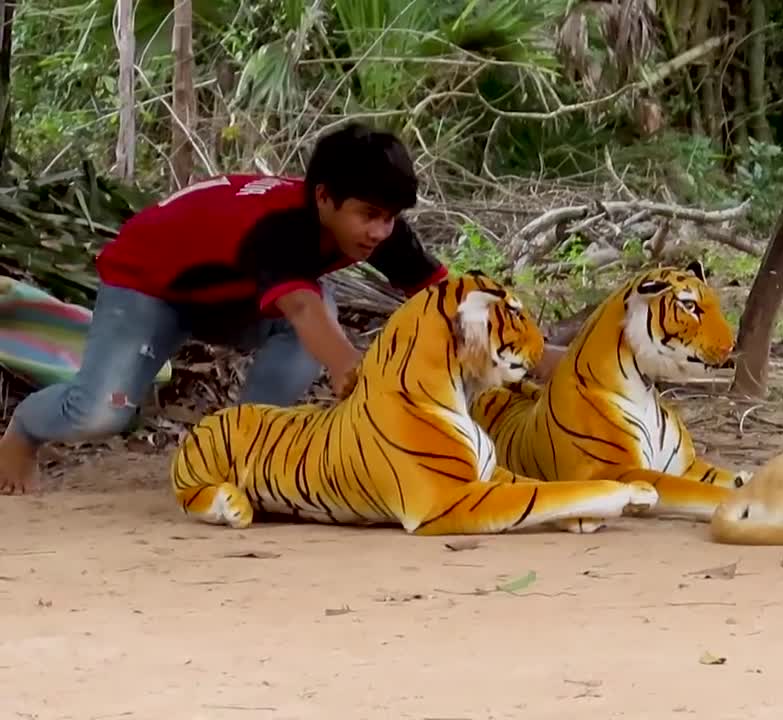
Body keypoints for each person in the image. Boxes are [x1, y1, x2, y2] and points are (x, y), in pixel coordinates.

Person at [0, 122, 561, 495]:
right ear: (323, 198)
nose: (380, 231)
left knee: (312, 316)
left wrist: (554, 358)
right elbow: (299, 306)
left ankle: (244, 455)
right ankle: (23, 432)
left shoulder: (382, 230)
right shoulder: (276, 230)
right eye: (368, 215)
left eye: (389, 218)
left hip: (237, 294)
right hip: (149, 286)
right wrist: (353, 373)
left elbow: (458, 305)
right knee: (103, 413)